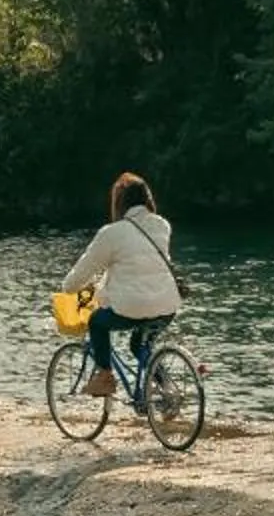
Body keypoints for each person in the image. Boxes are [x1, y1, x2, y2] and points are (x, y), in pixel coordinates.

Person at [60, 172, 183, 402]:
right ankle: (167, 388)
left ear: (120, 202)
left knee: (97, 321)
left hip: (133, 307)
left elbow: (86, 267)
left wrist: (68, 287)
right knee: (139, 346)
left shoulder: (112, 233)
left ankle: (105, 376)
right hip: (167, 306)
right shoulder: (162, 226)